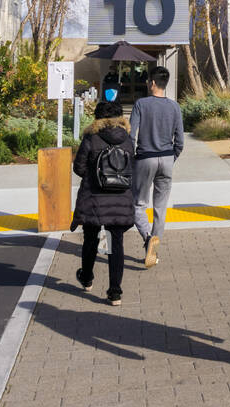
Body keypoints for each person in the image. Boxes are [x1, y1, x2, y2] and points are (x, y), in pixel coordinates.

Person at [71, 100, 136, 306]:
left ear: (97, 118)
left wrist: (93, 174)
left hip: (94, 197)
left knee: (91, 238)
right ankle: (115, 292)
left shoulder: (92, 137)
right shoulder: (127, 140)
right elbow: (131, 168)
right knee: (115, 244)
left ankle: (87, 277)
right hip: (120, 197)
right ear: (120, 117)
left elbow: (79, 168)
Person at [129, 65, 184, 268]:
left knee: (138, 205)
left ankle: (147, 238)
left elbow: (130, 135)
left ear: (152, 83)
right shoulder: (174, 107)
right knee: (160, 208)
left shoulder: (141, 104)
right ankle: (154, 244)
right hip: (167, 159)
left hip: (145, 159)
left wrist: (132, 160)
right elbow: (180, 141)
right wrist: (171, 157)